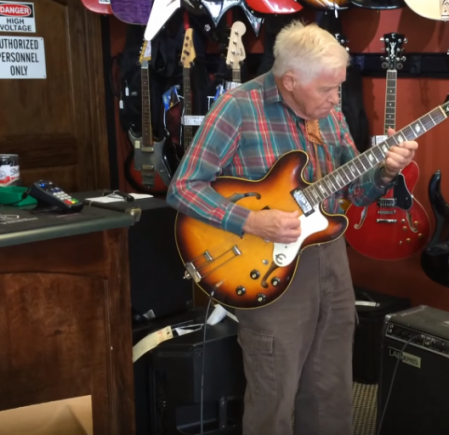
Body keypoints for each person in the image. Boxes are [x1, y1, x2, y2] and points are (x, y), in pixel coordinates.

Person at [166, 20, 418, 435]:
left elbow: (355, 192)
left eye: (340, 86)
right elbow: (184, 188)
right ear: (289, 81)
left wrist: (387, 171)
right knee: (274, 390)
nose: (337, 98)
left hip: (329, 257)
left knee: (332, 381)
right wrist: (251, 220)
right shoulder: (238, 108)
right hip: (264, 263)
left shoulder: (329, 113)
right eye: (327, 89)